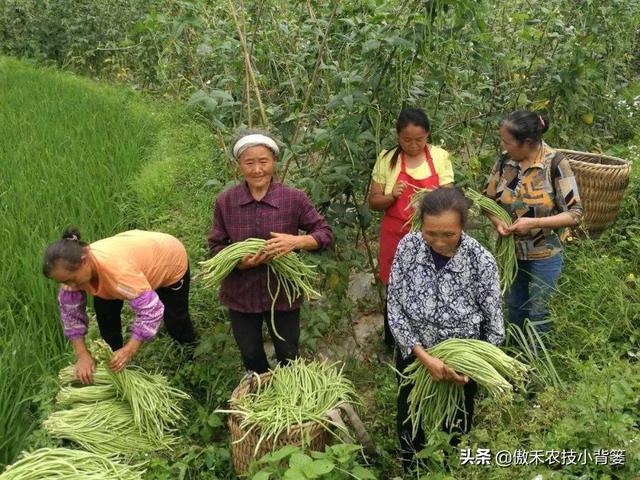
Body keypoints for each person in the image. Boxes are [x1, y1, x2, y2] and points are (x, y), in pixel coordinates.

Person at [387, 188, 504, 471]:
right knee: (410, 415)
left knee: (456, 421)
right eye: (431, 233)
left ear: (463, 226)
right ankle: (413, 469)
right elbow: (394, 306)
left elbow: (494, 323)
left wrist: (475, 368)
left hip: (461, 363)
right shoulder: (408, 247)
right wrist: (424, 358)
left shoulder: (481, 260)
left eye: (448, 234)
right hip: (416, 354)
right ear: (421, 225)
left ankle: (451, 469)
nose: (438, 241)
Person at [207, 131, 333, 374]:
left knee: (288, 352)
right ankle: (261, 390)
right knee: (251, 354)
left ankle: (288, 392)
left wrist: (296, 242)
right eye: (249, 162)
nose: (257, 170)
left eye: (263, 162)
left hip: (283, 291)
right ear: (239, 165)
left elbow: (324, 233)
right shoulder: (226, 202)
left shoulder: (293, 199)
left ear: (274, 161)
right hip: (241, 294)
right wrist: (239, 261)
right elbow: (216, 247)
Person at [43, 229, 197, 383]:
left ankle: (190, 356)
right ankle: (116, 360)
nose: (70, 285)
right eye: (63, 282)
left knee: (176, 320)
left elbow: (151, 309)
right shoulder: (73, 276)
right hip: (135, 252)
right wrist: (82, 354)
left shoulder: (119, 274)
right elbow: (71, 316)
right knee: (106, 318)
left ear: (84, 260)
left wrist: (130, 349)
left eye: (71, 279)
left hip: (167, 257)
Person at [485, 111, 583, 333]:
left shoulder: (555, 164)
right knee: (514, 307)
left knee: (540, 311)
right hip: (511, 252)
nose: (504, 146)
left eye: (507, 142)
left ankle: (539, 362)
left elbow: (575, 213)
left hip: (545, 253)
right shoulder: (505, 161)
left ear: (527, 142)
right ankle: (518, 355)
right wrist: (497, 221)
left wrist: (534, 222)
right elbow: (487, 200)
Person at [368, 108, 454, 349]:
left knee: (432, 284)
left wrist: (432, 197)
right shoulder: (387, 158)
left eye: (419, 139)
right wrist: (391, 196)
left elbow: (450, 196)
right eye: (407, 140)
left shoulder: (439, 156)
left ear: (428, 135)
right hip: (395, 233)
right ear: (397, 136)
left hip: (431, 236)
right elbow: (373, 202)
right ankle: (393, 342)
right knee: (395, 286)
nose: (413, 145)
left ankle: (429, 341)